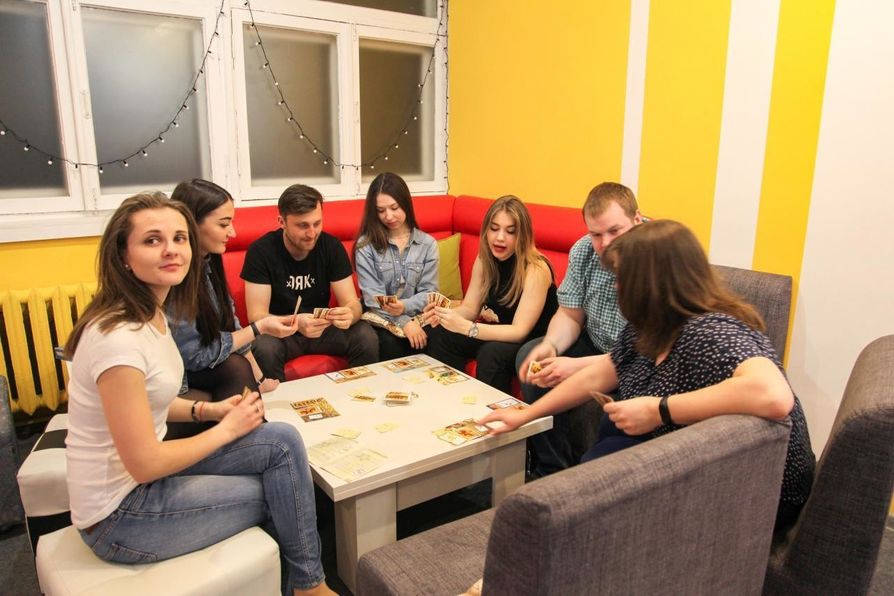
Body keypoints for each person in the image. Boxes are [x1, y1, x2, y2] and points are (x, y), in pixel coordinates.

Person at [63, 192, 334, 595]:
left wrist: (209, 411)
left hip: (146, 481)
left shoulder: (152, 314)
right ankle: (308, 585)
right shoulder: (118, 338)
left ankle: (306, 584)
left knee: (282, 440)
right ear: (123, 256)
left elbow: (149, 401)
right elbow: (145, 464)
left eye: (179, 238)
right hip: (121, 513)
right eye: (152, 240)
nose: (171, 250)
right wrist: (227, 430)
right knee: (283, 491)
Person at [480, 220, 815, 533]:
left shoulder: (711, 331)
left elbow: (774, 396)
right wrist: (526, 415)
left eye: (622, 279)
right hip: (695, 463)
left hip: (757, 492)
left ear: (653, 282)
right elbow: (597, 376)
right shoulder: (650, 324)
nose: (616, 288)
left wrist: (658, 410)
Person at [516, 181, 642, 477]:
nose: (605, 243)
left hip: (636, 356)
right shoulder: (584, 250)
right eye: (596, 234)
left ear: (637, 220)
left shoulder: (655, 255)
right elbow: (570, 315)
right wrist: (551, 345)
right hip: (595, 340)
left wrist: (575, 367)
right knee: (531, 358)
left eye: (614, 231)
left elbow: (643, 353)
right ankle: (552, 469)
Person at [168, 179, 297, 405]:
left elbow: (231, 325)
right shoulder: (174, 276)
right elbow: (196, 355)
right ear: (191, 223)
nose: (233, 232)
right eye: (223, 224)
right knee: (235, 366)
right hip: (180, 380)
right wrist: (259, 328)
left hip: (204, 369)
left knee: (239, 364)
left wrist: (260, 379)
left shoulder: (208, 264)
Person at [241, 184, 378, 381]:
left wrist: (350, 313)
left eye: (317, 223)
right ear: (282, 222)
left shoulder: (331, 246)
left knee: (365, 335)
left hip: (323, 328)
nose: (312, 233)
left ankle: (360, 395)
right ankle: (275, 401)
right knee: (264, 347)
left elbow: (352, 302)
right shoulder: (261, 251)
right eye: (303, 226)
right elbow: (257, 316)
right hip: (281, 332)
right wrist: (297, 323)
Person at [423, 195, 558, 394]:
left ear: (523, 235)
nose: (500, 238)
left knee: (492, 353)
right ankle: (449, 396)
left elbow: (519, 331)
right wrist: (443, 316)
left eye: (510, 231)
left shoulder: (537, 268)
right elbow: (470, 308)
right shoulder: (484, 260)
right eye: (494, 229)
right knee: (439, 332)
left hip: (533, 340)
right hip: (502, 333)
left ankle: (492, 410)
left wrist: (467, 327)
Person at [353, 172, 439, 360]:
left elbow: (429, 293)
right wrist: (404, 322)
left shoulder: (427, 244)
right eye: (381, 210)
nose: (389, 216)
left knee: (439, 339)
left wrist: (405, 307)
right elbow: (373, 298)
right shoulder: (366, 246)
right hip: (382, 320)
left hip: (420, 317)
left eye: (394, 208)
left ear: (405, 203)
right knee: (390, 344)